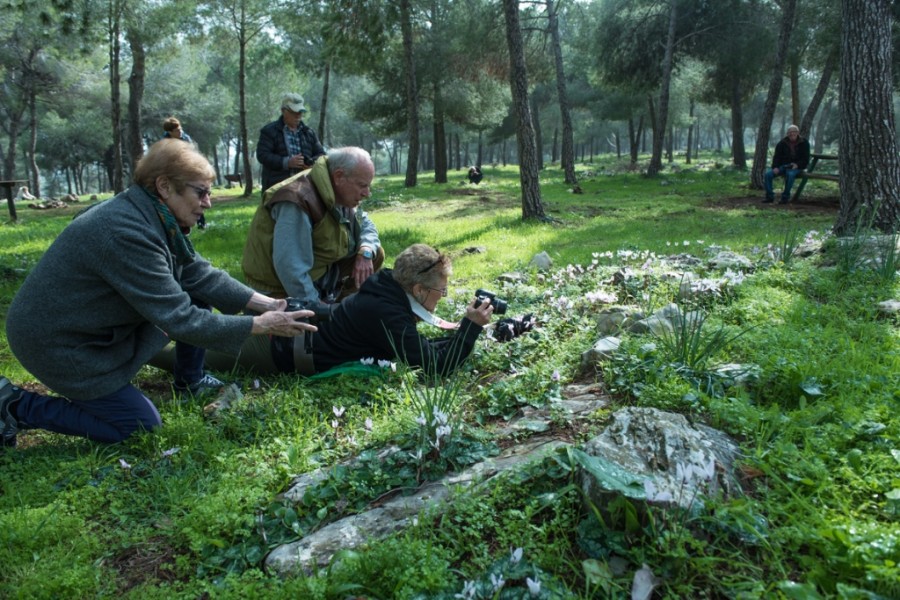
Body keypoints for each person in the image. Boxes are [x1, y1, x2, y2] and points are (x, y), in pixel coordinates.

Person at [0, 139, 318, 448]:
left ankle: (190, 380)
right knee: (137, 427)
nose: (208, 202)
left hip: (88, 327)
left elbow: (196, 273)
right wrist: (262, 325)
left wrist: (268, 304)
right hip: (57, 343)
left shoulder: (152, 215)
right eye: (201, 192)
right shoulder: (126, 232)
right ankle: (15, 406)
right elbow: (180, 319)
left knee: (195, 292)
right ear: (165, 186)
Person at [173, 244, 495, 377]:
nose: (443, 296)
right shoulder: (389, 314)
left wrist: (464, 330)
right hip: (279, 345)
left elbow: (417, 347)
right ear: (419, 290)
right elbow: (435, 366)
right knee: (183, 350)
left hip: (293, 329)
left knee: (197, 338)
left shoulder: (387, 287)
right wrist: (471, 328)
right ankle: (146, 336)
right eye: (441, 291)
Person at [242, 146, 384, 312]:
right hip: (279, 287)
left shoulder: (338, 191)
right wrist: (316, 309)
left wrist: (366, 251)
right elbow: (290, 269)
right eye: (362, 185)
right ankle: (331, 313)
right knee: (311, 328)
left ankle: (342, 308)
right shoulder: (297, 199)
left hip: (318, 272)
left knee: (375, 254)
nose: (367, 193)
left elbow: (365, 223)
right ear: (339, 176)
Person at [256, 93, 326, 193]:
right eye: (294, 112)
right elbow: (262, 155)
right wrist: (287, 162)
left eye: (301, 112)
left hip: (305, 189)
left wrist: (311, 163)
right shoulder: (269, 131)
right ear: (283, 111)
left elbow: (322, 155)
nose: (298, 115)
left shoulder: (309, 133)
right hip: (277, 189)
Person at [162, 116, 204, 228]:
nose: (180, 132)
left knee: (197, 195)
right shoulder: (164, 143)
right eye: (177, 131)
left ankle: (201, 223)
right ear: (169, 132)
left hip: (189, 171)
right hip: (175, 173)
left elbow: (193, 155)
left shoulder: (186, 140)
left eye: (180, 129)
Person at [764, 124, 810, 204]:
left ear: (798, 132)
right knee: (768, 174)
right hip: (784, 166)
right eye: (790, 132)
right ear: (787, 133)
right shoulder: (782, 143)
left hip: (797, 167)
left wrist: (797, 165)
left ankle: (785, 197)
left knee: (790, 174)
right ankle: (769, 197)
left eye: (794, 132)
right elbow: (777, 157)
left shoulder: (804, 143)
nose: (792, 134)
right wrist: (775, 167)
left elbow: (805, 159)